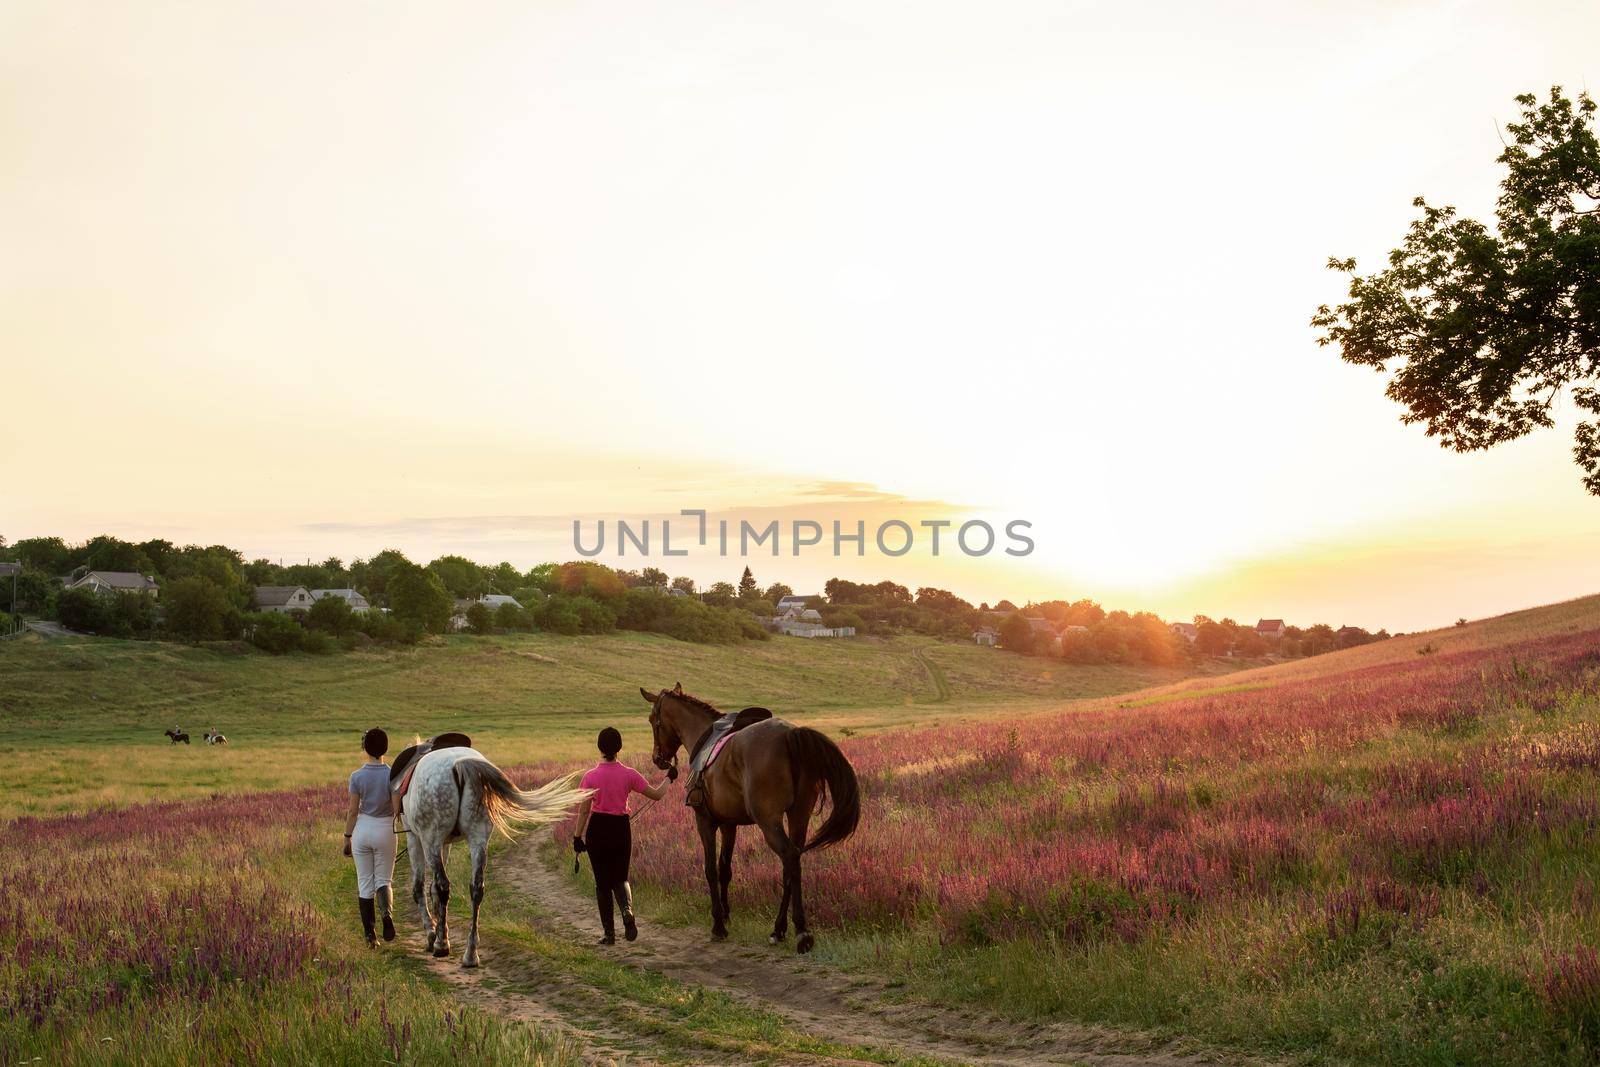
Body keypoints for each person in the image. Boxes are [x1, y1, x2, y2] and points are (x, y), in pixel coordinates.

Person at [573, 727, 673, 944]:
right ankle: (627, 910)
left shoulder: (590, 777)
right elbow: (656, 795)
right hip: (620, 829)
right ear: (619, 748)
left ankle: (609, 935)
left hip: (597, 830)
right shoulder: (629, 774)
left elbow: (583, 811)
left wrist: (577, 837)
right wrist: (669, 779)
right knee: (620, 877)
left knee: (602, 884)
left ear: (600, 748)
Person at [342, 727, 397, 947]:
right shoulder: (392, 774)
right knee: (384, 880)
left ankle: (370, 937)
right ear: (385, 747)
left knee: (365, 883)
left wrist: (347, 837)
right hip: (385, 829)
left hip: (362, 830)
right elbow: (396, 808)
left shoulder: (356, 776)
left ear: (365, 748)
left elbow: (353, 811)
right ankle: (387, 916)